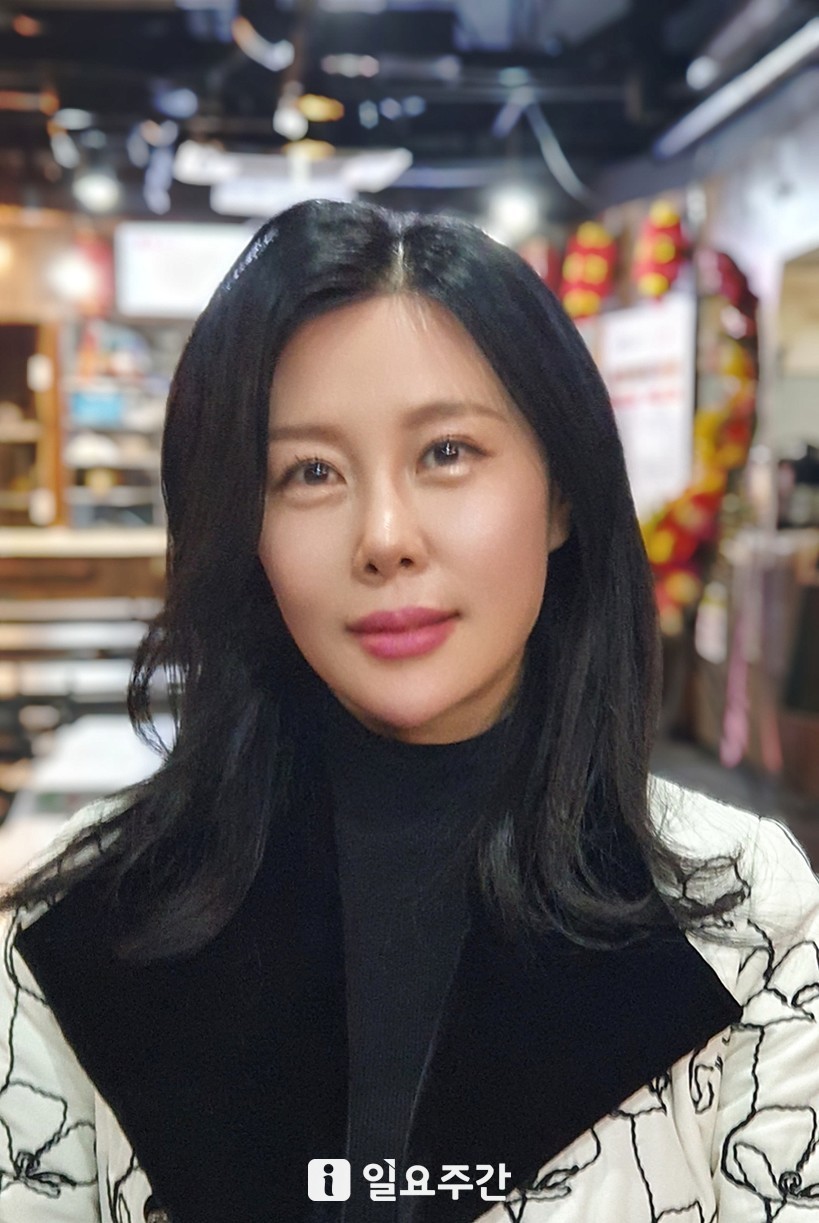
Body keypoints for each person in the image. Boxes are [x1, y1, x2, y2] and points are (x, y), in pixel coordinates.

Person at [1, 199, 818, 1223]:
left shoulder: (744, 917)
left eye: (446, 452)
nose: (384, 536)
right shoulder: (76, 927)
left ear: (562, 492)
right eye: (309, 472)